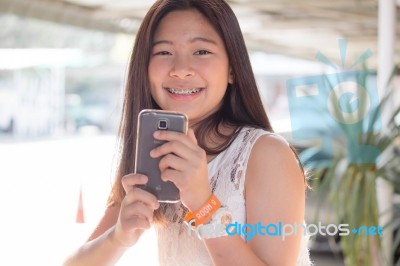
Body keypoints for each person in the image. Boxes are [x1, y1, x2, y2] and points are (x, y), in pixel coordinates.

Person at [63, 0, 312, 265]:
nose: (181, 70)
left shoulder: (267, 154)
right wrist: (119, 237)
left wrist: (204, 204)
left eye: (201, 51)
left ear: (232, 69)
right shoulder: (153, 153)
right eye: (163, 52)